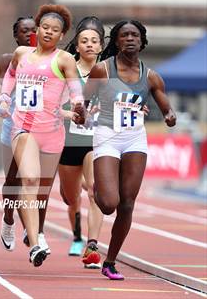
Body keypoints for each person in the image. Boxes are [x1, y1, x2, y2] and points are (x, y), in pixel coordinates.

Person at [83, 20, 176, 280]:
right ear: (116, 41)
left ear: (142, 41)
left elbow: (166, 107)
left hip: (135, 139)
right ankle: (98, 188)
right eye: (124, 35)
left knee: (127, 204)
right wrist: (83, 111)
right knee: (109, 204)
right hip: (107, 136)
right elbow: (85, 99)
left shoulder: (151, 76)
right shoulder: (102, 70)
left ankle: (110, 261)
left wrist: (170, 115)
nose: (130, 39)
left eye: (135, 35)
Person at [0, 4, 85, 267]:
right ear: (37, 28)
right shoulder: (22, 53)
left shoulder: (64, 60)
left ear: (61, 35)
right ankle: (35, 244)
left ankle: (32, 232)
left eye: (55, 30)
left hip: (53, 132)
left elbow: (75, 88)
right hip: (23, 127)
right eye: (45, 27)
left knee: (41, 193)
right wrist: (3, 96)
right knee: (29, 179)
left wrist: (78, 106)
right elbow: (11, 75)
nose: (48, 33)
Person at [0, 16, 53, 253]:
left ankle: (35, 231)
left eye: (34, 29)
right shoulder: (10, 59)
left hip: (42, 127)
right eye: (24, 31)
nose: (30, 34)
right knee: (12, 180)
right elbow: (4, 86)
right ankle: (8, 219)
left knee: (36, 182)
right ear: (16, 36)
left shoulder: (52, 60)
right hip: (14, 125)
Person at [59, 16, 105, 268]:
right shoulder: (67, 68)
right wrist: (72, 112)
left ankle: (92, 245)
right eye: (84, 41)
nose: (89, 45)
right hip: (67, 141)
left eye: (94, 41)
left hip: (95, 141)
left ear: (100, 46)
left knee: (94, 189)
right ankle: (76, 233)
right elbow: (51, 104)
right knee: (70, 197)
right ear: (76, 46)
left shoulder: (108, 71)